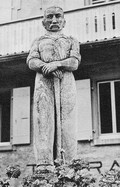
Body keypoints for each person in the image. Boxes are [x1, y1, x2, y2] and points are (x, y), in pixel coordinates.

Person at [27, 6, 81, 168]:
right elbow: (31, 61)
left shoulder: (71, 39)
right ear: (44, 22)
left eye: (58, 16)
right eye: (49, 17)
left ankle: (68, 163)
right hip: (44, 83)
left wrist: (57, 65)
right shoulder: (38, 40)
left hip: (65, 82)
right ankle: (45, 163)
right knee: (44, 119)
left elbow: (74, 62)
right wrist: (46, 67)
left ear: (64, 20)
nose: (54, 20)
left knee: (67, 120)